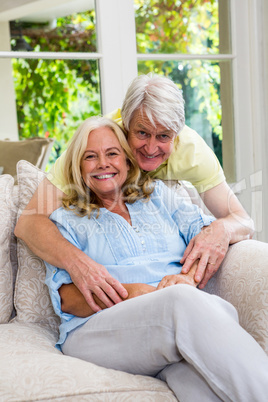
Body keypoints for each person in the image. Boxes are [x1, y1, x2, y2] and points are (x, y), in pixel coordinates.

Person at [45, 116, 268, 402]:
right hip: (96, 330)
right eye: (91, 156)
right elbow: (67, 299)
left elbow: (209, 238)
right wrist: (133, 293)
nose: (103, 163)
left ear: (127, 161)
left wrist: (188, 278)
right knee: (183, 303)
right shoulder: (66, 219)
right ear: (78, 166)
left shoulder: (160, 197)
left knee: (193, 379)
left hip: (170, 327)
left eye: (112, 153)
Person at [15, 74, 254, 313]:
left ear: (176, 134)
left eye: (163, 137)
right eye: (141, 133)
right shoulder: (96, 144)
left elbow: (241, 219)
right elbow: (28, 222)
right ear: (125, 126)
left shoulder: (193, 153)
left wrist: (220, 230)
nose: (151, 149)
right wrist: (79, 264)